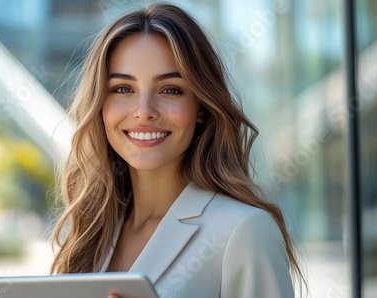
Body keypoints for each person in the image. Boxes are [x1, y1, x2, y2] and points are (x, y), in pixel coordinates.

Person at [50, 3, 304, 297]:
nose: (144, 112)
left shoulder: (244, 231)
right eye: (122, 89)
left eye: (170, 89)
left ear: (202, 108)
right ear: (100, 106)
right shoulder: (89, 231)